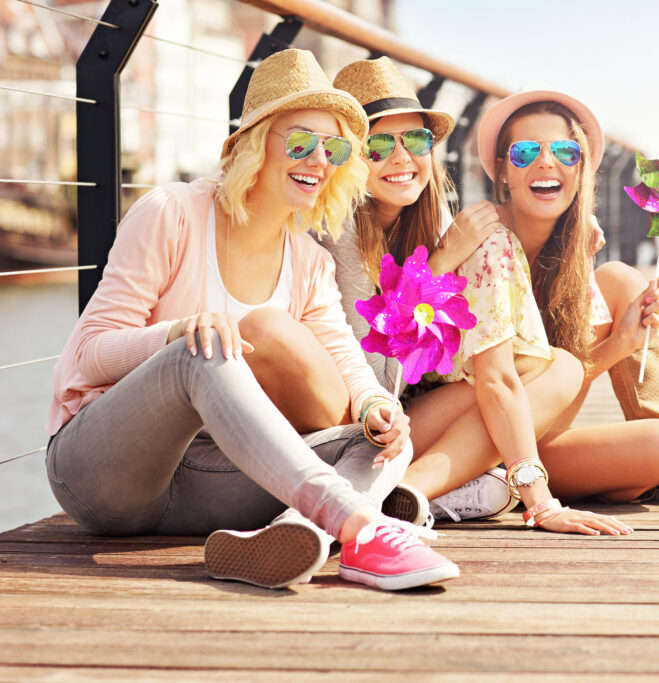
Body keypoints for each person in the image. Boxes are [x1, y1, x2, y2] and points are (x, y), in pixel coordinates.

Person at [44, 49, 458, 592]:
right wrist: (176, 333)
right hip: (102, 473)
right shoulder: (172, 212)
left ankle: (296, 532)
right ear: (256, 143)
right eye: (300, 141)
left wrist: (375, 405)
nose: (318, 159)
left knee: (384, 437)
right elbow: (88, 354)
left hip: (203, 486)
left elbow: (343, 357)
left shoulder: (310, 260)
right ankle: (360, 528)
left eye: (332, 148)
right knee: (207, 347)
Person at [324, 58, 630, 535]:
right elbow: (374, 361)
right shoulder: (335, 231)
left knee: (552, 369)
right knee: (543, 371)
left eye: (417, 141)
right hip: (357, 428)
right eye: (378, 145)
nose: (402, 158)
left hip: (405, 419)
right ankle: (396, 497)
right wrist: (442, 261)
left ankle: (408, 496)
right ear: (344, 155)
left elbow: (482, 362)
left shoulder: (431, 221)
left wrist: (565, 242)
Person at [470, 90, 659, 507]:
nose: (546, 161)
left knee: (619, 278)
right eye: (525, 152)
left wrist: (621, 332)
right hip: (495, 441)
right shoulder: (487, 246)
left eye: (565, 150)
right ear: (503, 171)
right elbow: (515, 397)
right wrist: (618, 346)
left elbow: (559, 400)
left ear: (581, 169)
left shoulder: (573, 244)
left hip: (543, 429)